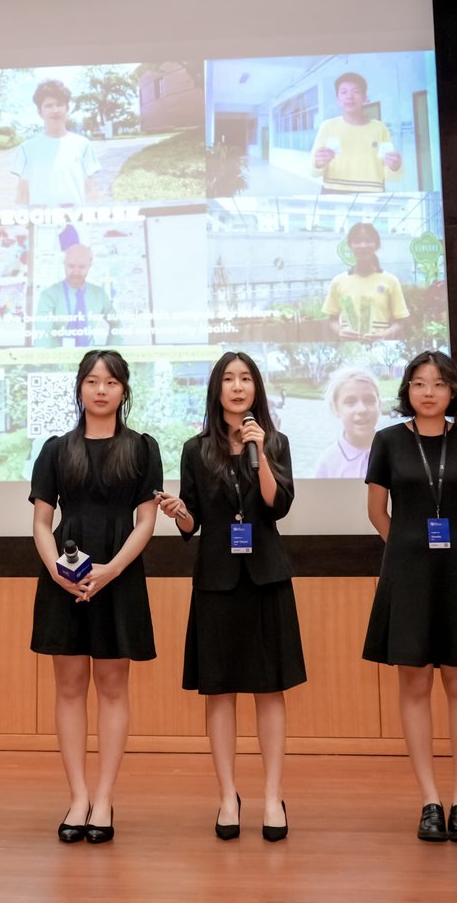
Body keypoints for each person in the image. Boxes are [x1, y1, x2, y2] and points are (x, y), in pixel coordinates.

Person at [155, 351, 303, 843]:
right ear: (216, 388)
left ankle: (273, 796)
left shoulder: (274, 441)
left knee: (269, 689)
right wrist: (178, 512)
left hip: (266, 577)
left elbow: (277, 505)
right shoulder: (196, 449)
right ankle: (227, 796)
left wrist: (258, 450)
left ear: (256, 388)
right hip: (217, 579)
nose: (238, 387)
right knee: (218, 691)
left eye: (246, 379)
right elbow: (192, 522)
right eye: (229, 379)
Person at [363, 350, 457, 844]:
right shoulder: (387, 441)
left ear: (452, 391)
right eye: (420, 383)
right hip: (408, 575)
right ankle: (429, 800)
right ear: (408, 389)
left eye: (439, 383)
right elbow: (377, 511)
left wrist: (452, 551)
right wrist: (407, 550)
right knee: (415, 684)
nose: (428, 392)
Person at [29, 349, 162, 845]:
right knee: (68, 687)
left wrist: (111, 570)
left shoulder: (142, 448)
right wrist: (57, 570)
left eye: (110, 382)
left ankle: (104, 798)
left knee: (112, 685)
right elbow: (42, 521)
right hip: (64, 574)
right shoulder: (56, 449)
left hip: (118, 572)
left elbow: (146, 522)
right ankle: (78, 797)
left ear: (124, 390)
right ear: (79, 388)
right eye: (91, 381)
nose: (100, 390)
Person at [309, 72, 403, 194]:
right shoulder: (327, 126)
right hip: (333, 192)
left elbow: (391, 175)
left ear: (365, 98)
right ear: (337, 99)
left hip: (372, 194)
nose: (349, 96)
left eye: (356, 91)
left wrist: (395, 166)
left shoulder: (380, 128)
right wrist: (318, 163)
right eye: (344, 92)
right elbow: (313, 172)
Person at [14, 79, 101, 207]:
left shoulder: (83, 145)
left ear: (67, 109)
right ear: (39, 112)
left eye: (59, 104)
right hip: (40, 219)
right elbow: (23, 196)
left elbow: (91, 191)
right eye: (49, 106)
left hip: (75, 219)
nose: (55, 110)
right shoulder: (26, 149)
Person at [323, 223, 408, 342]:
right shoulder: (338, 281)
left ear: (376, 245)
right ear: (350, 246)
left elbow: (401, 321)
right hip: (349, 348)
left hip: (381, 348)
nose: (363, 246)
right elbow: (332, 319)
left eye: (368, 241)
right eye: (357, 241)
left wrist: (387, 334)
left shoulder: (391, 281)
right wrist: (339, 331)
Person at [33, 238, 119, 348]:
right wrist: (46, 358)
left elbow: (117, 324)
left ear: (89, 266)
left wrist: (111, 352)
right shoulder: (49, 295)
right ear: (64, 264)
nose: (76, 272)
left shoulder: (99, 294)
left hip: (90, 356)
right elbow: (42, 335)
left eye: (81, 267)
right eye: (71, 266)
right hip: (59, 356)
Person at [312, 366, 382, 478]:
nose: (362, 409)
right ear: (335, 408)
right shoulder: (328, 463)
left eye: (369, 400)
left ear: (379, 405)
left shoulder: (397, 455)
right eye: (350, 402)